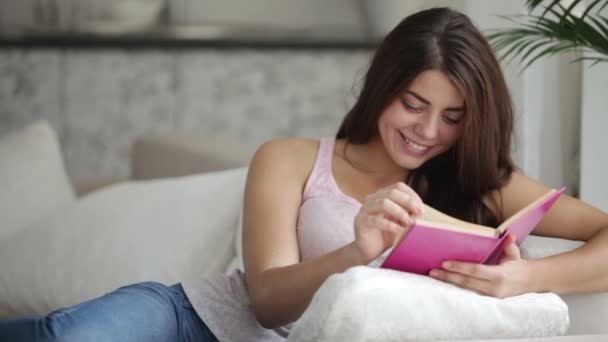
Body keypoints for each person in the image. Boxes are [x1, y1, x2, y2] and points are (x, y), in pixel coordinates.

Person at [2, 7, 608, 342]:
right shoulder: (289, 158)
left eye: (452, 117)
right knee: (65, 338)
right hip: (194, 321)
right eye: (413, 104)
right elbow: (265, 302)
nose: (428, 132)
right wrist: (356, 249)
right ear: (381, 89)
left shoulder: (484, 183)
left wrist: (524, 277)